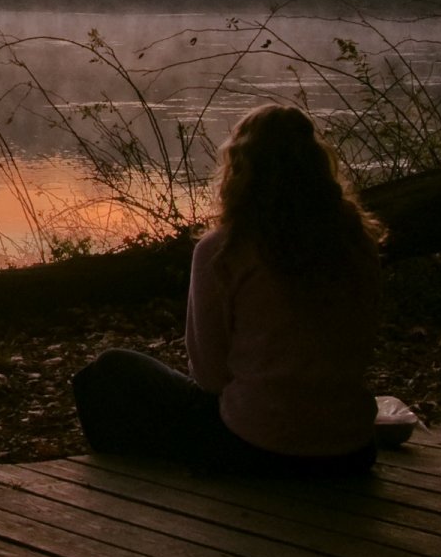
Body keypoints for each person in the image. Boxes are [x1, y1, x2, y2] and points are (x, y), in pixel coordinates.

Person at [71, 103, 383, 475]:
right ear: (319, 165)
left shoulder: (225, 249)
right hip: (350, 449)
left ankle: (141, 487)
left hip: (257, 447)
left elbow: (209, 376)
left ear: (239, 168)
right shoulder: (357, 243)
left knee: (106, 371)